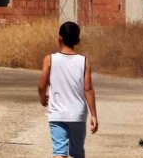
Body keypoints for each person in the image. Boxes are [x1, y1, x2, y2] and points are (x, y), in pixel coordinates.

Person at [37, 21, 99, 158]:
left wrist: (42, 99)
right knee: (77, 152)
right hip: (77, 114)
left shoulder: (50, 59)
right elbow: (88, 89)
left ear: (59, 37)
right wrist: (94, 115)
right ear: (77, 40)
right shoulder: (84, 61)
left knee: (59, 152)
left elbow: (41, 85)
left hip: (57, 114)